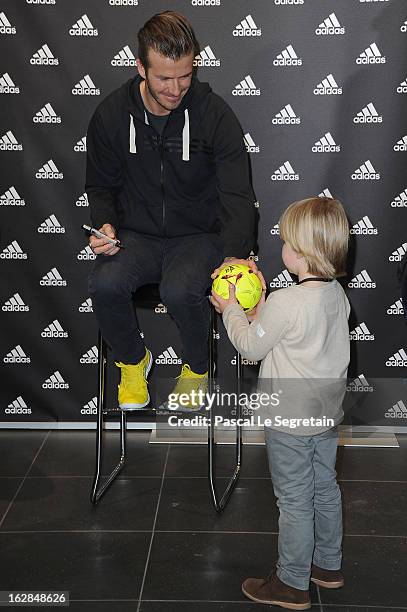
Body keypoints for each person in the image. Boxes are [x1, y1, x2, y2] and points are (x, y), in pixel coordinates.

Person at [85, 11, 257, 410]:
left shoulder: (215, 115)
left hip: (198, 236)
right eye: (165, 77)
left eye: (185, 75)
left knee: (180, 289)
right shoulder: (111, 115)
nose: (177, 88)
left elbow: (236, 193)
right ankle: (132, 360)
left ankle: (197, 368)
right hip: (136, 236)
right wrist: (105, 225)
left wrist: (236, 254)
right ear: (140, 67)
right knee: (105, 284)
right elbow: (99, 186)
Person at [211, 197, 350, 610]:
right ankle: (327, 565)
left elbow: (251, 348)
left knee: (293, 498)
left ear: (302, 254)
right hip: (325, 416)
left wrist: (232, 308)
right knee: (324, 488)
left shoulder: (288, 302)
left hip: (288, 421)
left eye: (286, 241)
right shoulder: (335, 294)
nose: (281, 247)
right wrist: (259, 306)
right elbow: (285, 333)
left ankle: (291, 582)